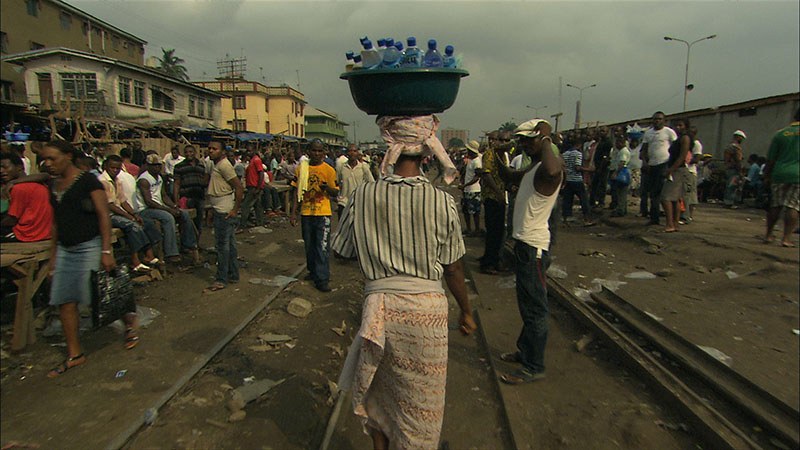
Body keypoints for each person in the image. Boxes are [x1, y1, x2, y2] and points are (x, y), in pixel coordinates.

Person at [330, 128, 476, 450]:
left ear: (389, 150)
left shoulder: (363, 194)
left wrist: (377, 246)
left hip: (380, 310)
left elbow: (341, 251)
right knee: (420, 406)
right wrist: (466, 311)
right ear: (426, 154)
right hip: (427, 317)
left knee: (379, 397)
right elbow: (452, 267)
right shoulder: (442, 201)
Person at [41, 141, 139, 377]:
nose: (48, 164)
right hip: (65, 247)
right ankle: (75, 354)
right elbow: (56, 223)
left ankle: (129, 323)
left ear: (68, 156)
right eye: (45, 159)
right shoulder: (54, 185)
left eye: (53, 158)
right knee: (66, 300)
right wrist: (53, 256)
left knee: (104, 293)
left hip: (89, 245)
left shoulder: (88, 181)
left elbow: (104, 214)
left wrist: (106, 250)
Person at [495, 119, 563, 385]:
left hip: (533, 247)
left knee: (535, 309)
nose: (523, 144)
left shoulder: (550, 170)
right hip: (525, 246)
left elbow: (552, 166)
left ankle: (534, 366)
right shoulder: (533, 168)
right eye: (521, 140)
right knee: (528, 304)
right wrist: (499, 157)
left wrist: (546, 138)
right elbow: (510, 177)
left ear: (542, 140)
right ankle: (526, 352)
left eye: (529, 139)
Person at [290, 139, 339, 292]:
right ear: (308, 152)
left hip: (322, 213)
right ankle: (313, 272)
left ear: (324, 153)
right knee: (309, 245)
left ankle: (322, 278)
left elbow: (336, 191)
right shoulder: (301, 169)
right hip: (306, 213)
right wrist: (293, 213)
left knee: (322, 247)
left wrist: (327, 189)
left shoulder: (329, 170)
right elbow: (295, 192)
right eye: (314, 151)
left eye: (320, 151)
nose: (317, 154)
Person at [133, 154, 198, 266]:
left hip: (158, 207)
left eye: (159, 165)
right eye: (155, 166)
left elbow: (164, 195)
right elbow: (148, 202)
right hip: (145, 210)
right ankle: (171, 252)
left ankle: (189, 244)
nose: (157, 168)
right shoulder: (144, 180)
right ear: (148, 166)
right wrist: (168, 210)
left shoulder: (159, 177)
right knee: (168, 217)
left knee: (184, 214)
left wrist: (173, 206)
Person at [99, 155, 159, 271]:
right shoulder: (103, 181)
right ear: (106, 166)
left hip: (118, 213)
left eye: (117, 168)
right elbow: (110, 205)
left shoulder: (117, 180)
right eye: (112, 168)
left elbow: (123, 201)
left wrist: (134, 214)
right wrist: (129, 217)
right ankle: (135, 260)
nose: (115, 171)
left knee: (146, 222)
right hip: (107, 216)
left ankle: (148, 254)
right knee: (132, 225)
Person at [204, 139, 244, 292]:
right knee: (230, 246)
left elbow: (239, 187)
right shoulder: (216, 165)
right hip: (221, 208)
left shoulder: (224, 166)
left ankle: (221, 279)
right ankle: (233, 274)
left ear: (222, 151)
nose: (211, 151)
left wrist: (235, 209)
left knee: (222, 247)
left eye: (214, 148)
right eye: (209, 148)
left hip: (224, 210)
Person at [763, 109, 799, 247]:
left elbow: (771, 159)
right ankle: (786, 238)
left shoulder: (780, 134)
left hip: (779, 174)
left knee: (776, 204)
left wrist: (766, 175)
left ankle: (768, 235)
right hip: (797, 176)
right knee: (793, 206)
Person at [0, 152, 52, 242]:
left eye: (5, 167)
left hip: (27, 233)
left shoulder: (18, 188)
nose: (1, 171)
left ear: (19, 167)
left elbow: (12, 220)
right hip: (45, 232)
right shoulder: (38, 183)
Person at [479, 130, 511, 274]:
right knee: (493, 232)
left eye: (506, 141)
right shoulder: (490, 154)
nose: (504, 143)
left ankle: (495, 260)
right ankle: (489, 264)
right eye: (501, 140)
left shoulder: (503, 156)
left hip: (499, 197)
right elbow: (486, 174)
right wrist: (499, 193)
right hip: (493, 197)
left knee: (498, 232)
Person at [640, 111, 677, 225]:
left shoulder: (669, 132)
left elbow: (675, 148)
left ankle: (672, 220)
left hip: (664, 163)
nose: (657, 121)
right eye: (655, 119)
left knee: (664, 192)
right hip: (652, 165)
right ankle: (654, 218)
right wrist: (645, 162)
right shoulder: (648, 133)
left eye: (660, 119)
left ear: (664, 120)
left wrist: (671, 165)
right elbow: (644, 149)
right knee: (653, 193)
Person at [661, 118, 692, 233]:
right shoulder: (678, 139)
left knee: (666, 197)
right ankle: (674, 224)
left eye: (680, 125)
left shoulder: (685, 138)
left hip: (678, 170)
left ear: (685, 127)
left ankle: (670, 223)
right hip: (675, 169)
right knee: (675, 199)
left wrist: (671, 170)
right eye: (675, 125)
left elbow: (682, 156)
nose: (677, 127)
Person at [173, 145, 209, 236]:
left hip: (199, 197)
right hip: (186, 198)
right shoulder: (179, 166)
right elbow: (176, 184)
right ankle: (187, 245)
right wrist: (176, 199)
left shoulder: (201, 165)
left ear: (195, 153)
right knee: (187, 223)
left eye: (191, 152)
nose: (189, 154)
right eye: (186, 152)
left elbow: (205, 180)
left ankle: (196, 244)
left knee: (199, 222)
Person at [560, 137, 595, 226]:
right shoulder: (578, 154)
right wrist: (589, 170)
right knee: (584, 200)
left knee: (567, 200)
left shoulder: (564, 154)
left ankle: (566, 219)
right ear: (579, 145)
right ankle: (587, 219)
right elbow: (577, 167)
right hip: (577, 180)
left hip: (567, 179)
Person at [336, 143, 374, 218]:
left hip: (359, 202)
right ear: (347, 153)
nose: (352, 153)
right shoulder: (341, 167)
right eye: (350, 151)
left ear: (358, 153)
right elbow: (338, 182)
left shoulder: (363, 167)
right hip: (344, 202)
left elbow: (371, 183)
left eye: (354, 151)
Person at [460, 139, 483, 236]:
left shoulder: (477, 162)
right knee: (466, 211)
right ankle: (469, 229)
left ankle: (476, 229)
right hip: (467, 190)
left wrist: (465, 185)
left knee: (475, 212)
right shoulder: (471, 160)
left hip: (474, 190)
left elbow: (477, 177)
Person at [240, 144, 266, 228]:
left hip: (254, 186)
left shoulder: (256, 160)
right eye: (247, 151)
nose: (248, 153)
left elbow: (261, 173)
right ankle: (260, 221)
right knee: (257, 205)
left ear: (254, 150)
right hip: (251, 186)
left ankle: (242, 224)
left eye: (250, 151)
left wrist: (258, 188)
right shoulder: (252, 160)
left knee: (245, 205)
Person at [723, 130, 747, 208]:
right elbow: (738, 159)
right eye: (741, 138)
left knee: (729, 185)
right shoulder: (736, 147)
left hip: (728, 168)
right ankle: (730, 203)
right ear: (738, 137)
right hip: (734, 168)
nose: (742, 140)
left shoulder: (729, 146)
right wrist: (740, 171)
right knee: (733, 186)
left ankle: (727, 201)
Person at [589, 126, 612, 208]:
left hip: (603, 167)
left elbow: (606, 157)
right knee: (595, 185)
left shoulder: (608, 142)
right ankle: (593, 201)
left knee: (602, 185)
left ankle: (601, 202)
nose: (601, 133)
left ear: (607, 132)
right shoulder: (601, 141)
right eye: (600, 131)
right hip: (598, 166)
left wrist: (600, 168)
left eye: (603, 131)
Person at [609, 135, 631, 217]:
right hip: (622, 172)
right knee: (620, 193)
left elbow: (622, 163)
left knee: (621, 193)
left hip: (622, 173)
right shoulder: (620, 151)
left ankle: (621, 210)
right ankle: (622, 209)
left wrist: (616, 173)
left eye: (617, 143)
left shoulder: (623, 152)